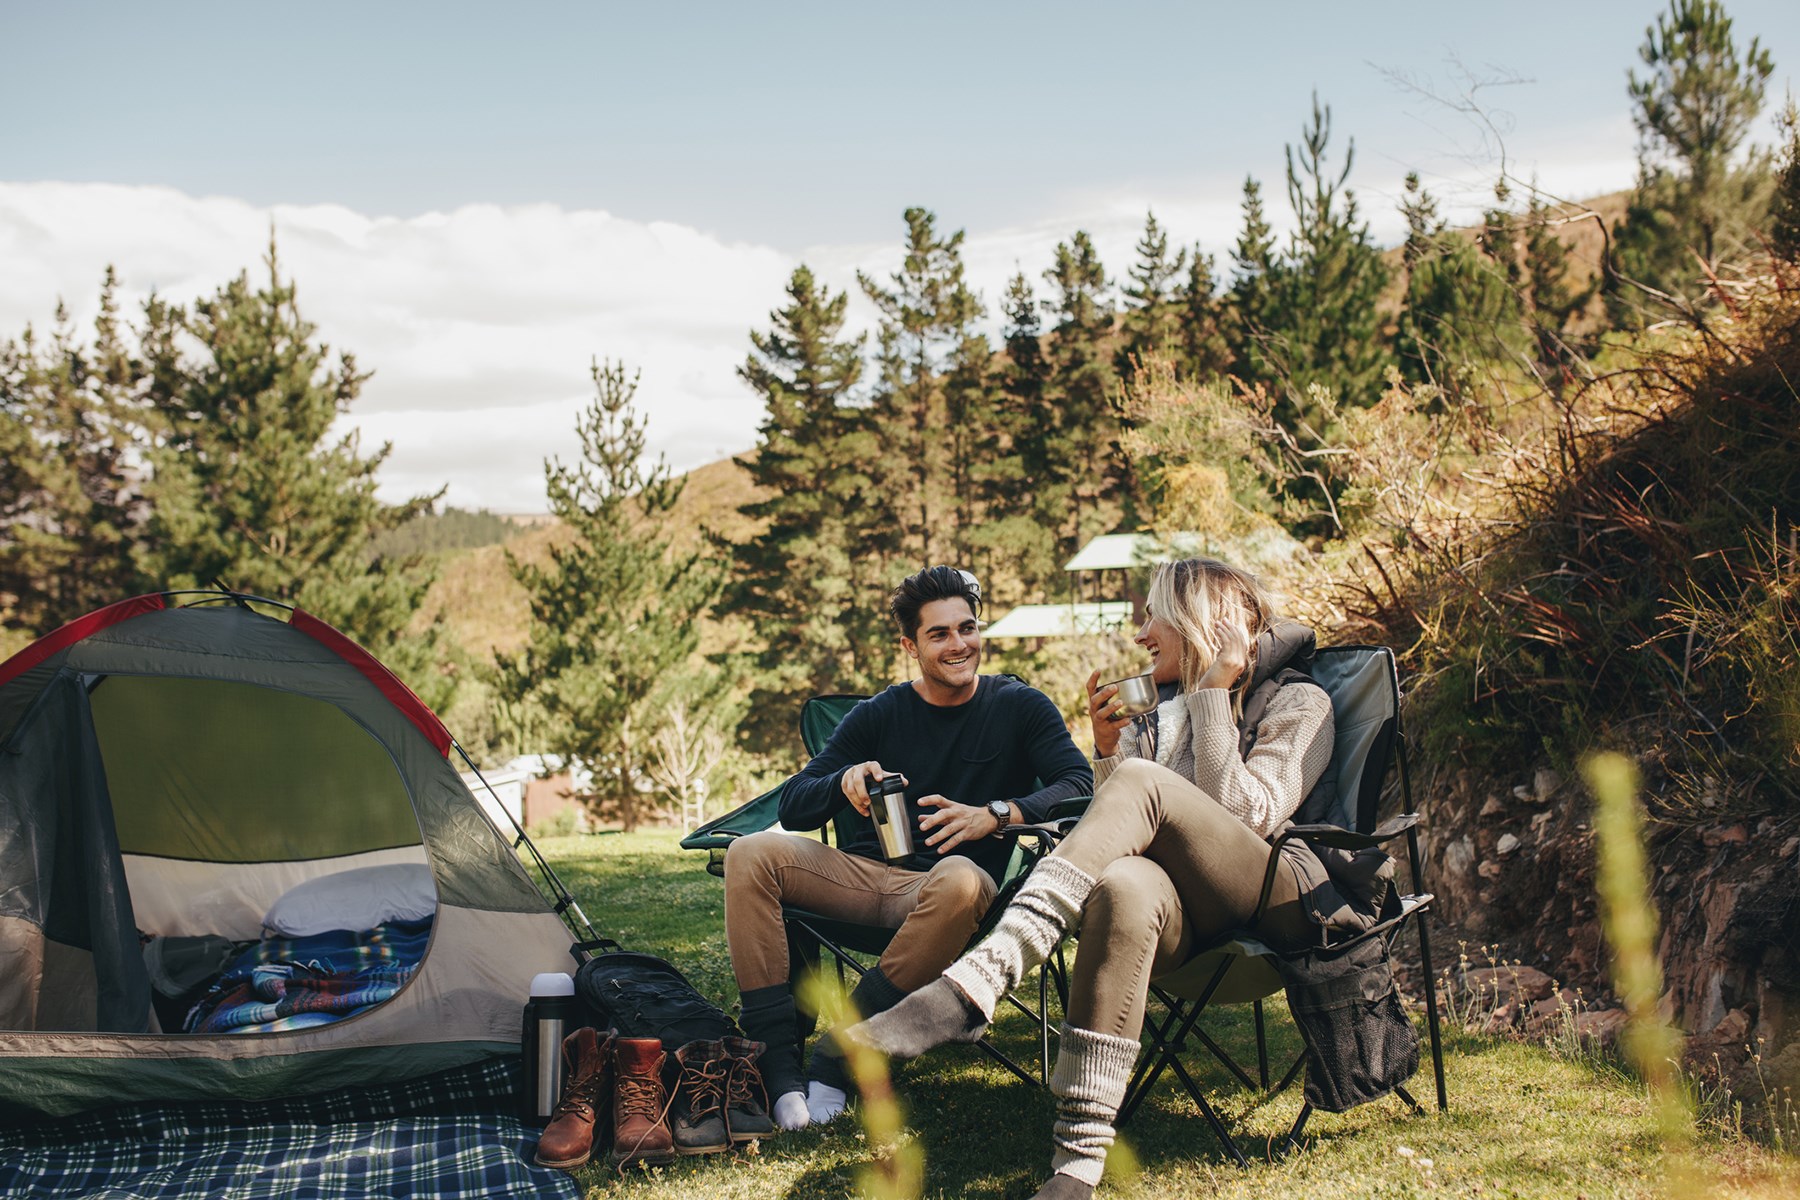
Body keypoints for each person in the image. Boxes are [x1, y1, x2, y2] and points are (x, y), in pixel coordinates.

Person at [847, 557, 1337, 1200]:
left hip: (1275, 897)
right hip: (1182, 913)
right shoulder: (1161, 711)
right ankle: (1076, 1166)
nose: (1140, 635)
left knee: (1139, 789)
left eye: (1153, 616)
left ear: (1203, 623)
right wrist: (1108, 751)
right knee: (1125, 885)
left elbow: (1250, 816)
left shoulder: (1303, 701)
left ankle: (979, 981)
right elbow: (1121, 831)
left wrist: (1214, 694)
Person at [724, 565, 1093, 1131]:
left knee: (960, 876)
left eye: (967, 629)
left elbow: (1078, 784)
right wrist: (840, 780)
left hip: (961, 894)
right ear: (909, 645)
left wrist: (995, 816)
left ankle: (841, 1051)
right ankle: (776, 1069)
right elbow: (795, 802)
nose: (958, 644)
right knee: (749, 853)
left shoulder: (1019, 705)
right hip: (870, 880)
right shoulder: (879, 713)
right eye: (939, 634)